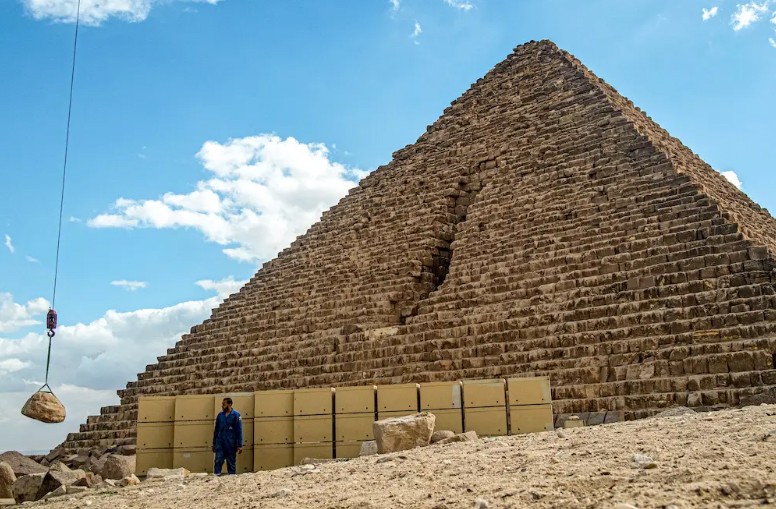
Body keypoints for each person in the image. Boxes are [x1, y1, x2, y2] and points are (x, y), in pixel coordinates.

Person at [212, 397, 243, 475]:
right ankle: (216, 476)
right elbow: (216, 430)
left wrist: (239, 445)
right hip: (220, 443)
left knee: (231, 463)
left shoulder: (236, 415)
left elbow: (239, 430)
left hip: (231, 444)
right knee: (218, 461)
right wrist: (214, 443)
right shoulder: (220, 415)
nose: (222, 406)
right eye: (222, 404)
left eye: (224, 404)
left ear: (229, 404)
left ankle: (231, 479)